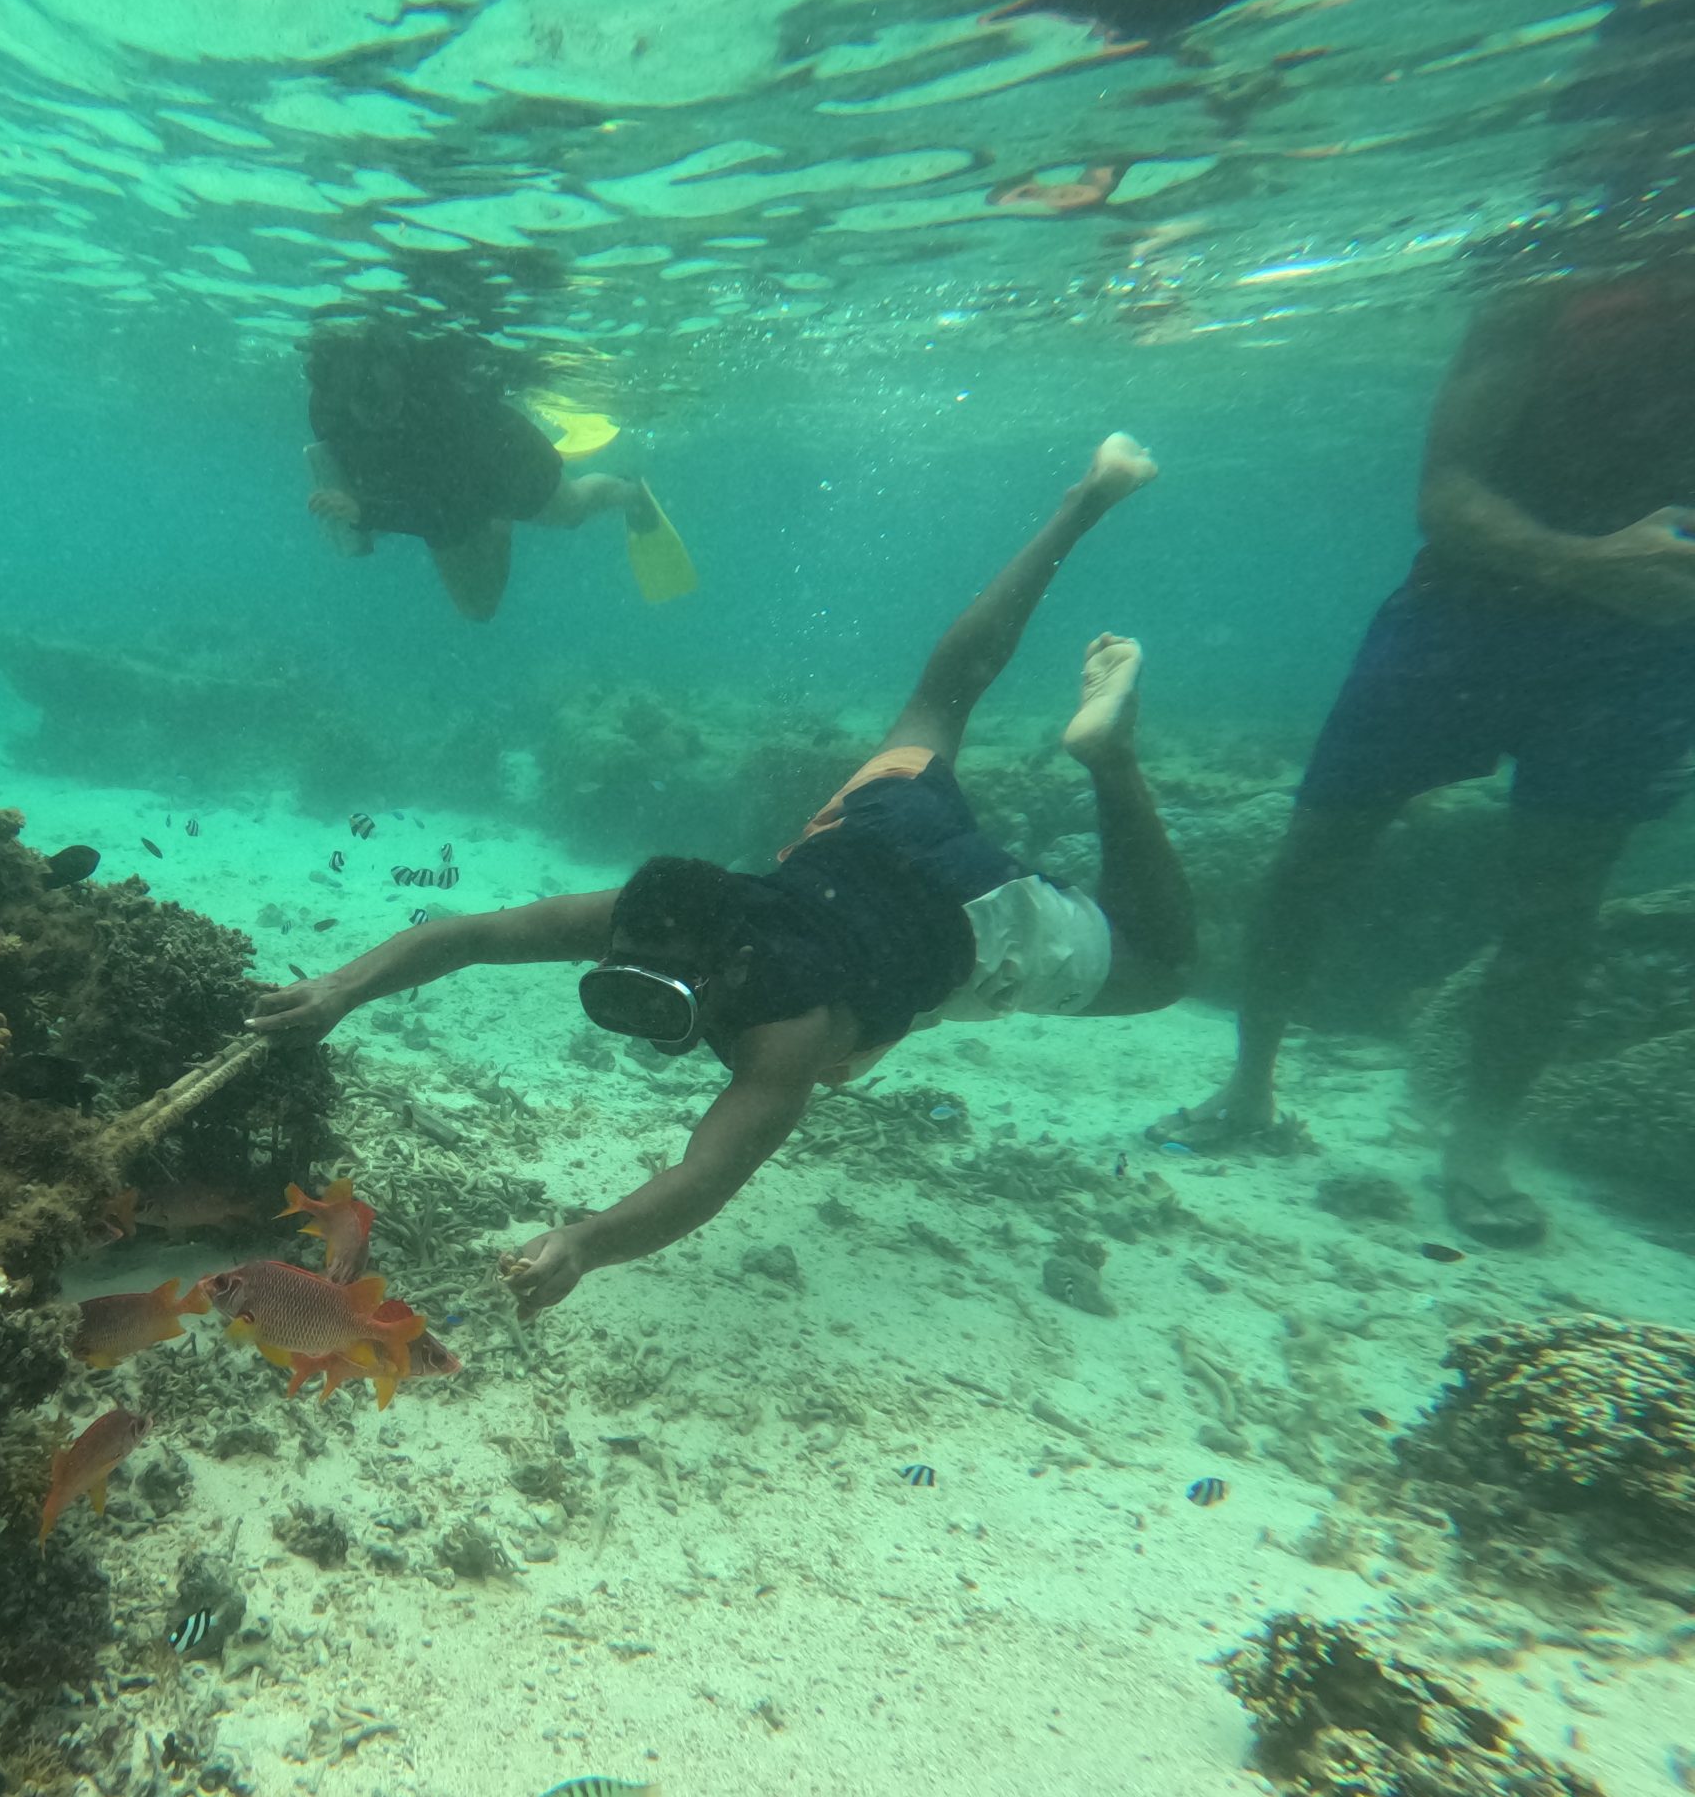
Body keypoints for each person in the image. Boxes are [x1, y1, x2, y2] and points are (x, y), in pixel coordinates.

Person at [250, 434, 1192, 1317]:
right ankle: (1085, 503)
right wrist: (338, 988)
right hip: (875, 832)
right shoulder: (660, 913)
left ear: (725, 972)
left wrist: (584, 1242)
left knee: (1159, 970)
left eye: (656, 1002)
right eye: (619, 990)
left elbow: (706, 1176)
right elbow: (464, 936)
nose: (640, 1023)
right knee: (940, 696)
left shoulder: (784, 1031)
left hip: (973, 913)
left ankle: (1111, 759)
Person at [1153, 269, 1695, 1244]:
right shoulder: (1551, 286)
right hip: (1460, 616)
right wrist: (1586, 561)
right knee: (1314, 852)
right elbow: (1444, 495)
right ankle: (1246, 1085)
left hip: (1639, 650)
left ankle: (1475, 1146)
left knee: (1557, 902)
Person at [303, 322, 659, 622]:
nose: (377, 413)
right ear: (338, 392)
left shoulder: (444, 410)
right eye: (362, 400)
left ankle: (631, 493)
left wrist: (366, 512)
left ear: (399, 375)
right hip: (438, 489)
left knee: (571, 510)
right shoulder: (327, 410)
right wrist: (358, 508)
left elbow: (440, 512)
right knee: (477, 610)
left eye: (385, 397)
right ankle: (498, 520)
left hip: (506, 462)